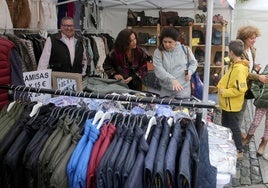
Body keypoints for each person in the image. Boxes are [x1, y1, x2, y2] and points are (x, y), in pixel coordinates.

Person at [217, 39, 249, 159]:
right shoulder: (234, 64)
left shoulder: (239, 69)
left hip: (232, 104)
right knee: (225, 124)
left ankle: (239, 150)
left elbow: (241, 89)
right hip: (227, 103)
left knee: (234, 127)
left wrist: (224, 92)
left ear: (231, 52)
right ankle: (229, 145)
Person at [153, 26, 197, 98]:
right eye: (165, 42)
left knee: (182, 109)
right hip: (165, 89)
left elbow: (193, 63)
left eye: (170, 42)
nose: (167, 44)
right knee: (164, 108)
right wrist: (172, 79)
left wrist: (189, 72)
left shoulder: (185, 49)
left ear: (176, 41)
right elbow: (158, 70)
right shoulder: (158, 52)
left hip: (183, 88)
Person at [242, 65, 268, 156]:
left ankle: (263, 143)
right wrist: (258, 96)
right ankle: (248, 138)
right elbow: (255, 83)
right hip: (262, 103)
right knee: (255, 123)